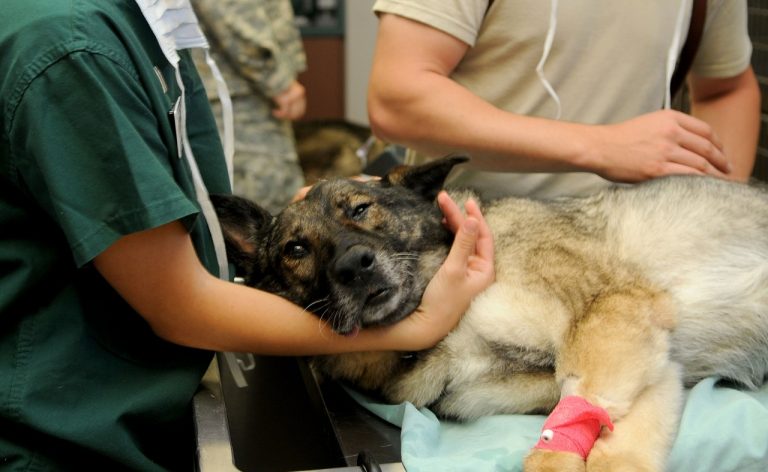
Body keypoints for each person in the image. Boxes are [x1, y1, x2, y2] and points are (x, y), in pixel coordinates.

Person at [0, 0, 494, 470]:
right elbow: (179, 304)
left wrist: (334, 215)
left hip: (128, 407)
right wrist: (423, 324)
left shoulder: (143, 21)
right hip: (62, 435)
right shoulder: (73, 50)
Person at [368, 0, 760, 200]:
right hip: (473, 256)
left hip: (640, 255)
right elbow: (398, 98)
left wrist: (717, 210)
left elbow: (727, 88)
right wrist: (601, 146)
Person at [192, 0, 308, 214]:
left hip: (239, 91)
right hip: (239, 97)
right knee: (261, 213)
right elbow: (233, 11)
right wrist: (278, 81)